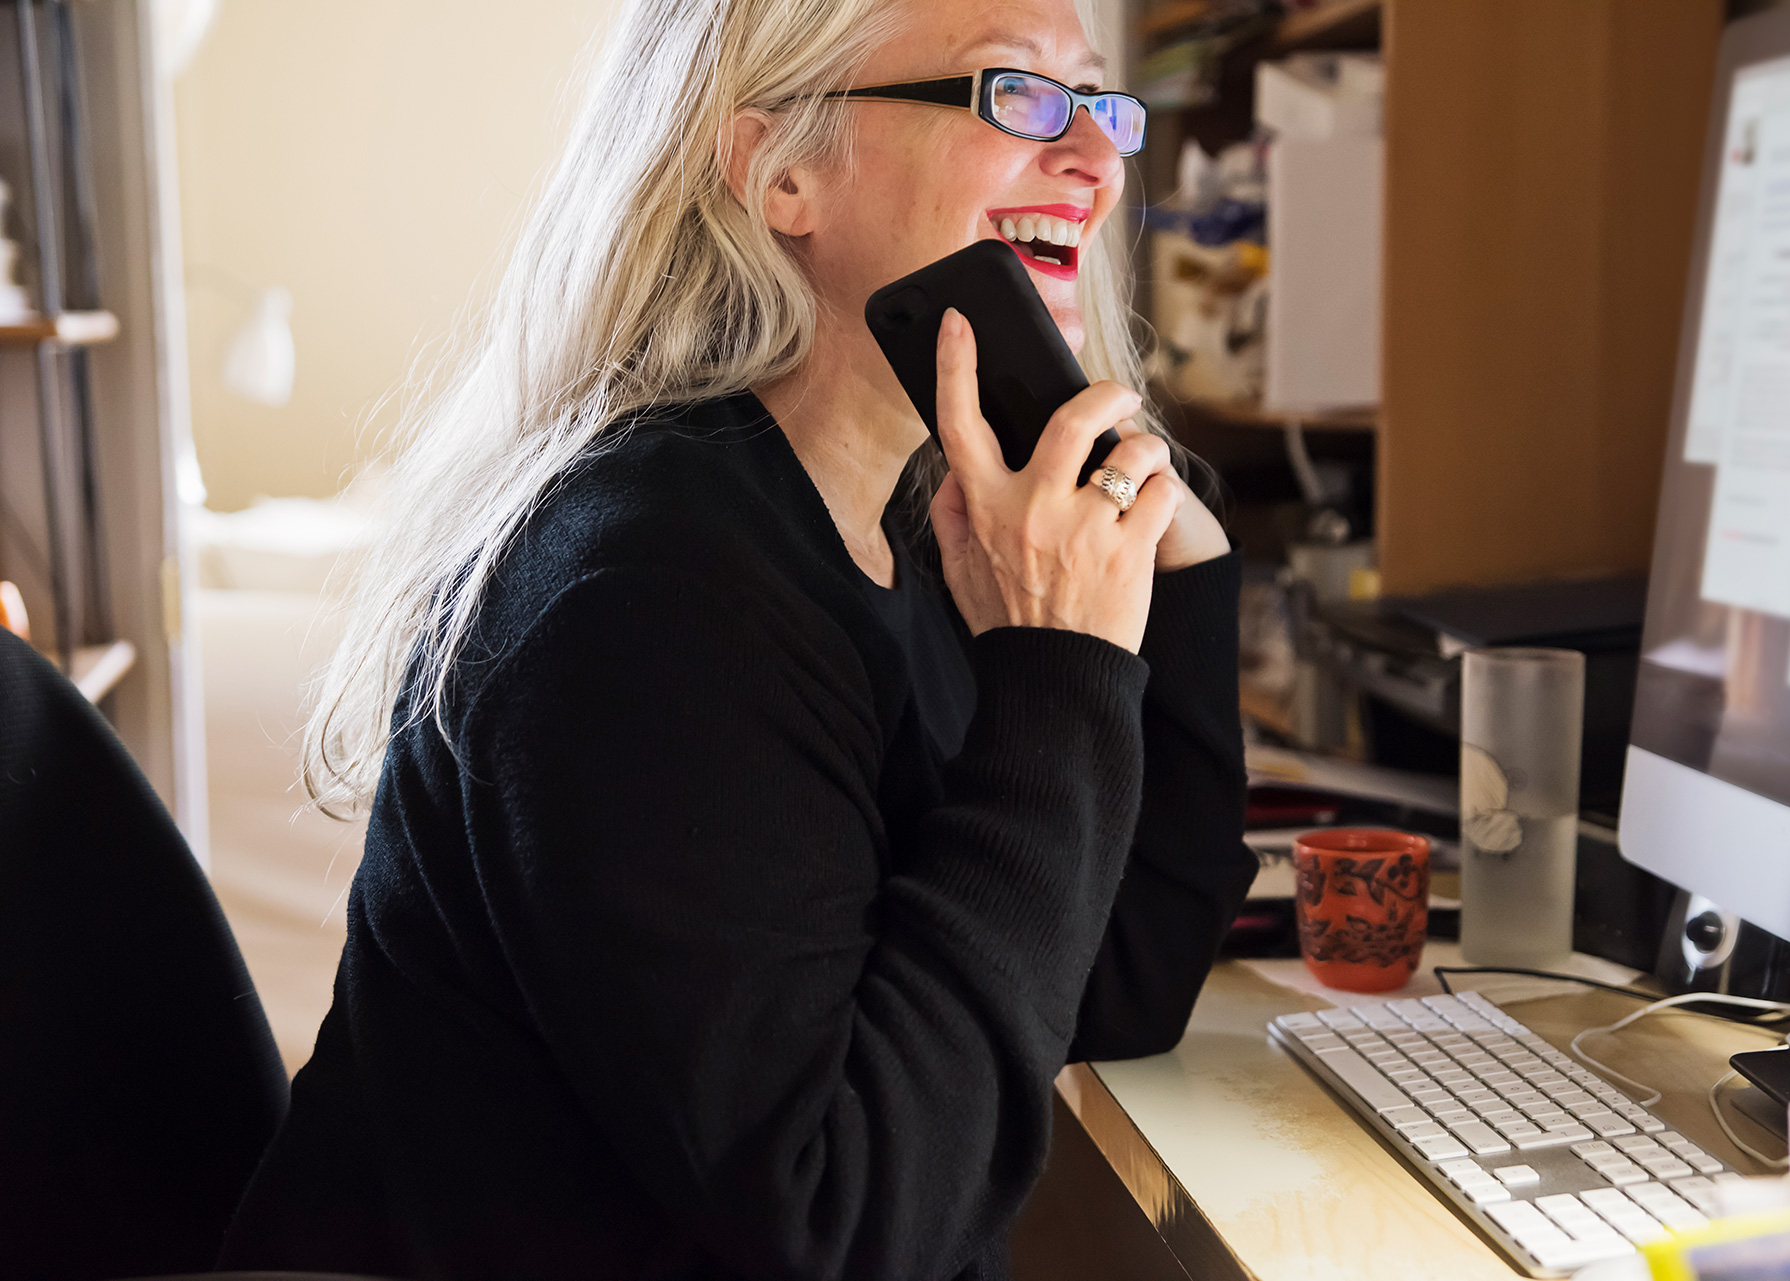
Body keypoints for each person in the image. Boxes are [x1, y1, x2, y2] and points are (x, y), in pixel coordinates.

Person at [220, 0, 1255, 1275]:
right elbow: (847, 1226)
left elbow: (1111, 986)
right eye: (1018, 94)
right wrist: (1056, 679)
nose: (1098, 162)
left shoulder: (913, 534)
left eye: (1098, 105)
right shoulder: (647, 591)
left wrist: (1180, 565)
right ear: (782, 172)